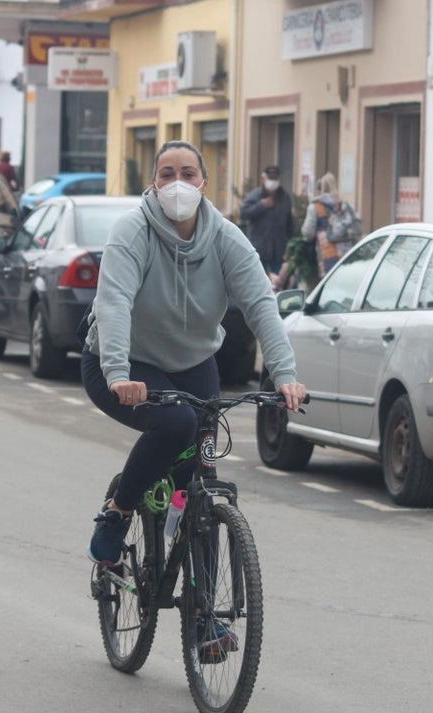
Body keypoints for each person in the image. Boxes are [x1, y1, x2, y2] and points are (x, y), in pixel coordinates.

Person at [81, 140, 306, 653]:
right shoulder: (132, 231)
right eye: (166, 173)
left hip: (192, 363)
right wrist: (118, 372)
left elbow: (262, 307)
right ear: (154, 182)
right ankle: (118, 512)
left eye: (187, 172)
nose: (177, 183)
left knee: (200, 480)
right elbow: (113, 302)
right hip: (121, 363)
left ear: (204, 182)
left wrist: (285, 374)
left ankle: (204, 619)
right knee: (177, 424)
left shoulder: (227, 238)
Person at [238, 164, 293, 275]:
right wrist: (261, 205)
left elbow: (289, 225)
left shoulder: (285, 198)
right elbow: (243, 213)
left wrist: (288, 248)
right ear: (263, 179)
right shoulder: (255, 196)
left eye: (275, 178)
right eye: (270, 178)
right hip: (259, 248)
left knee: (277, 285)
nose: (273, 181)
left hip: (278, 250)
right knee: (258, 282)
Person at [300, 172, 349, 278]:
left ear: (320, 189)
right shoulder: (342, 205)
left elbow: (308, 233)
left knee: (329, 285)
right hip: (347, 254)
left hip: (327, 255)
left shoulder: (315, 207)